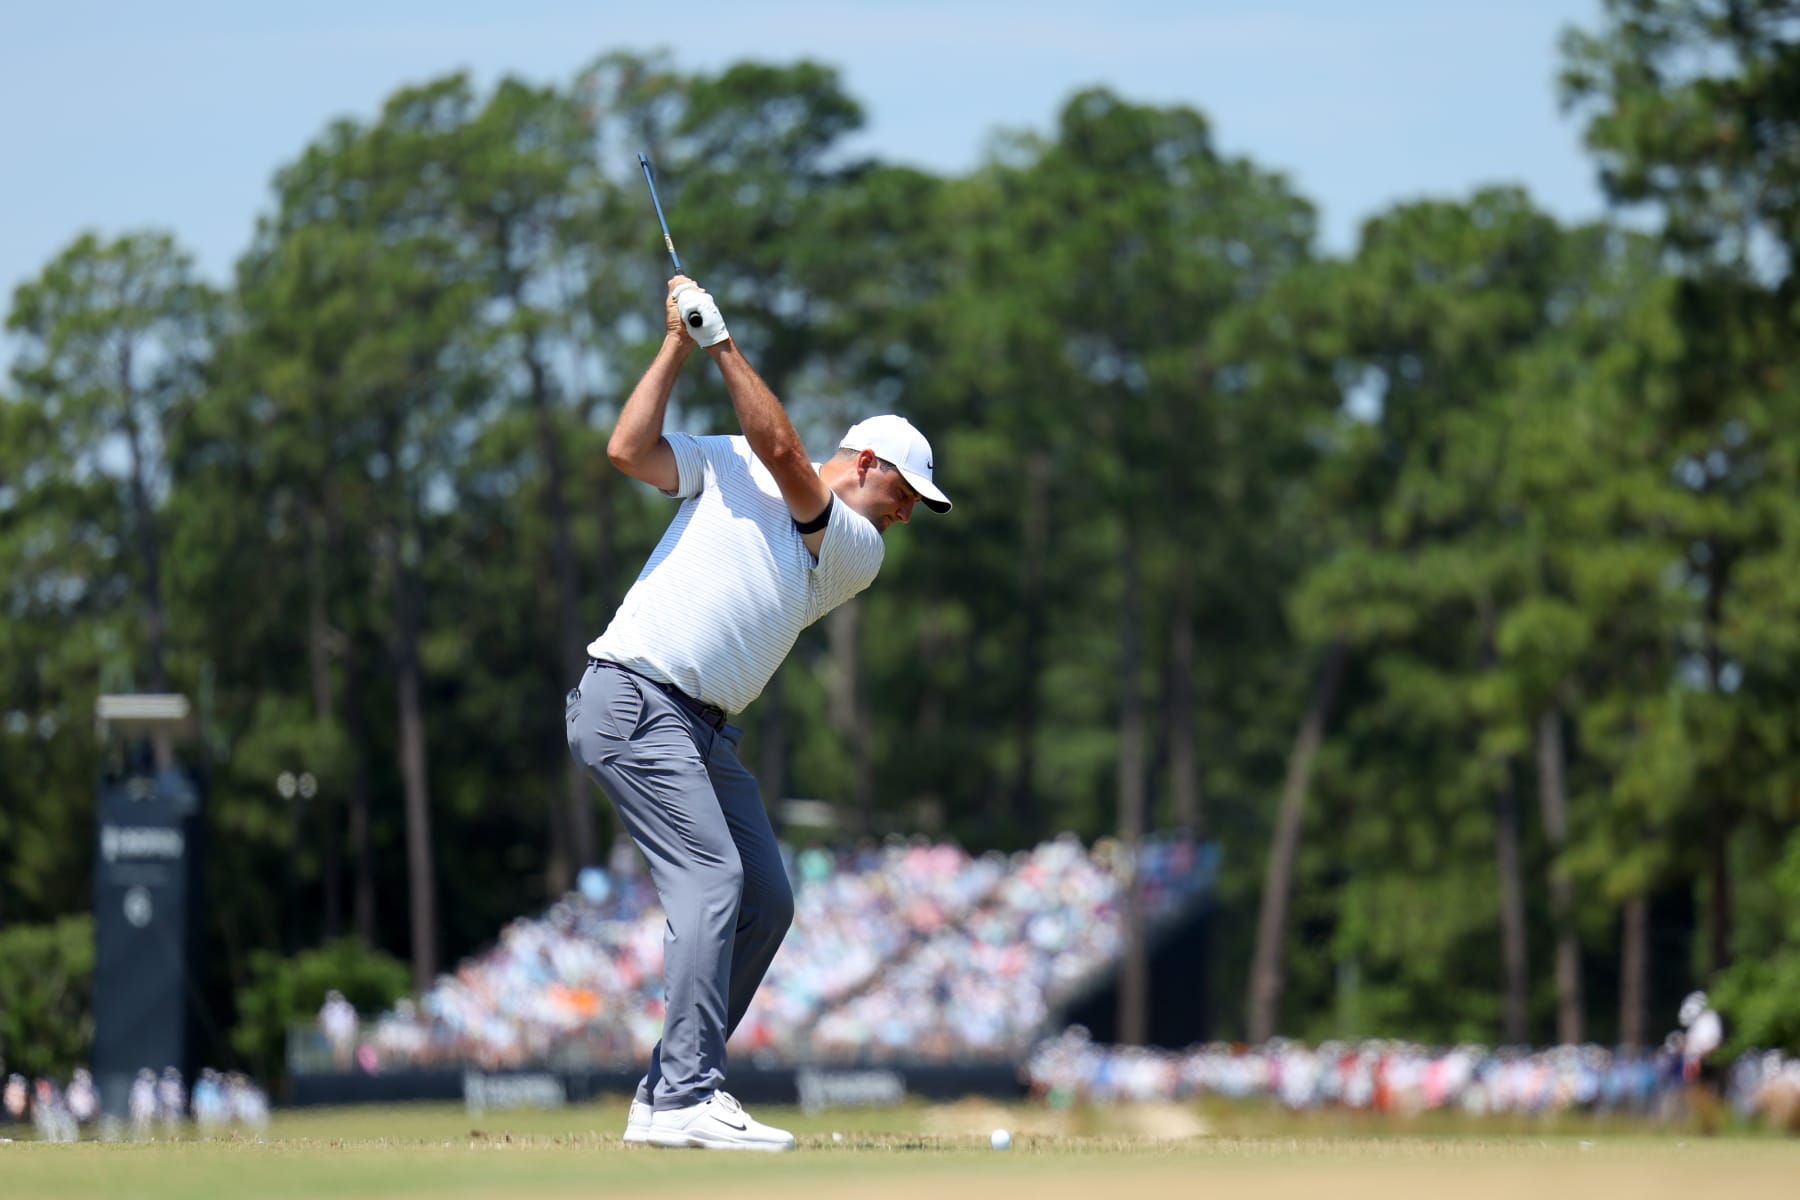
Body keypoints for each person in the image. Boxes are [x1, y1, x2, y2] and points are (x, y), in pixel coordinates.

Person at [566, 275, 950, 1152]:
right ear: (867, 464)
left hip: (698, 727)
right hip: (632, 692)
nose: (905, 514)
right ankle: (687, 1098)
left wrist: (721, 343)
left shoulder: (855, 552)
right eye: (906, 494)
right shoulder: (729, 459)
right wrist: (677, 342)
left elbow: (782, 454)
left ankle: (669, 1085)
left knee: (767, 898)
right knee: (713, 883)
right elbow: (630, 451)